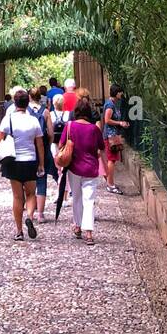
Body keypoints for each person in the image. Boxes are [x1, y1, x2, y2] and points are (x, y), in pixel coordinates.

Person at [0, 87, 45, 241]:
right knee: (31, 194)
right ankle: (29, 216)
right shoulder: (33, 120)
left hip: (13, 162)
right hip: (30, 161)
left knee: (17, 197)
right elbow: (40, 145)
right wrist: (41, 164)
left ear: (15, 103)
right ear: (27, 102)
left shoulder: (8, 119)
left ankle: (19, 231)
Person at [58, 93, 107, 245]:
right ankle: (89, 232)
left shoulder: (70, 126)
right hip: (91, 168)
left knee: (77, 198)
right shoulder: (94, 129)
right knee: (89, 200)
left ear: (76, 112)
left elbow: (61, 145)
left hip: (74, 168)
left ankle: (78, 225)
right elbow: (101, 147)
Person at [28, 85, 57, 220]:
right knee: (41, 179)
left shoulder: (25, 111)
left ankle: (30, 212)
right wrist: (48, 145)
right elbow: (51, 133)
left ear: (29, 97)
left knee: (28, 180)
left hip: (28, 148)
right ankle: (40, 214)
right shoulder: (45, 112)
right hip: (43, 148)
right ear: (40, 97)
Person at [102, 84, 129, 193]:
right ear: (116, 93)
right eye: (120, 92)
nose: (121, 94)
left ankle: (110, 181)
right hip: (110, 136)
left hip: (112, 134)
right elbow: (107, 120)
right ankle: (110, 184)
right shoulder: (110, 105)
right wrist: (120, 123)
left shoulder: (112, 103)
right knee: (111, 159)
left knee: (112, 159)